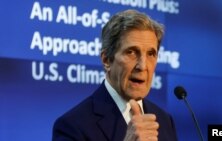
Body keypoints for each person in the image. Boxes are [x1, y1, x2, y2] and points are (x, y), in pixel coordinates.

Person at [52, 9, 178, 141]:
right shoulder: (72, 126)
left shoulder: (164, 121)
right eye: (131, 52)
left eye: (151, 54)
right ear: (106, 60)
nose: (142, 66)